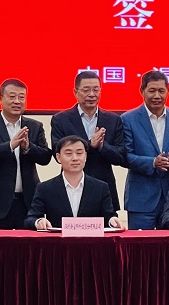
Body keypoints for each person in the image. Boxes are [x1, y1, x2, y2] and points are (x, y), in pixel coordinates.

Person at [0, 79, 53, 230]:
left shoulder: (35, 126)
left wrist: (28, 148)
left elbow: (45, 157)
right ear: (1, 98)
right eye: (12, 96)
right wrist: (9, 146)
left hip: (28, 202)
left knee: (29, 245)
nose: (17, 101)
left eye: (21, 97)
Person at [122, 70, 169, 230]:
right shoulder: (128, 119)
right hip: (141, 197)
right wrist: (153, 162)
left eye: (161, 91)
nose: (157, 96)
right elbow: (125, 156)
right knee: (140, 243)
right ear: (142, 91)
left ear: (168, 91)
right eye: (152, 90)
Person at [50, 70, 126, 210]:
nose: (92, 94)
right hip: (70, 186)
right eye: (86, 90)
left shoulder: (113, 120)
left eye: (96, 90)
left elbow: (121, 156)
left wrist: (102, 146)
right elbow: (57, 153)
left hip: (104, 187)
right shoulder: (60, 119)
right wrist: (90, 145)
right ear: (75, 92)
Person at [25, 135, 122, 230]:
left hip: (90, 240)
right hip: (58, 239)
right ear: (58, 157)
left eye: (79, 153)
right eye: (68, 153)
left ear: (85, 156)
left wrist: (112, 220)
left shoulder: (101, 188)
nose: (75, 158)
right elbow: (31, 218)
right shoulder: (45, 188)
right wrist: (39, 221)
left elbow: (109, 216)